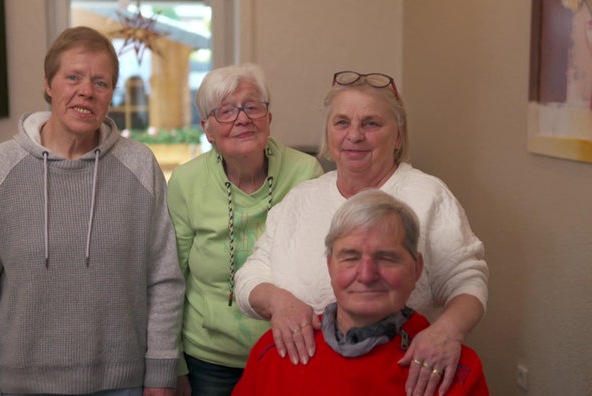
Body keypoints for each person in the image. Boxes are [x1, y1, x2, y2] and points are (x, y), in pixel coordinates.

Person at [0, 26, 185, 395]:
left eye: (101, 82)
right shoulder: (1, 166)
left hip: (123, 384)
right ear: (48, 84)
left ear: (111, 95)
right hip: (21, 386)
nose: (86, 92)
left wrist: (160, 374)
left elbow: (164, 280)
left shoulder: (140, 167)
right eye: (73, 77)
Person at [235, 71, 489, 396]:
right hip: (301, 371)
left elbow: (467, 279)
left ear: (398, 136)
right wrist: (279, 302)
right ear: (328, 134)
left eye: (371, 123)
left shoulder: (428, 195)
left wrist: (448, 331)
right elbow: (251, 276)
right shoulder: (301, 199)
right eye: (342, 123)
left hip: (399, 372)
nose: (354, 135)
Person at [232, 189, 489, 395]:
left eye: (387, 258)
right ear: (329, 266)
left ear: (417, 268)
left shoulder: (453, 370)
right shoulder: (274, 355)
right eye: (350, 257)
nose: (366, 275)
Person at [166, 63, 323, 395]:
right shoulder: (186, 181)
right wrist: (174, 364)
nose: (242, 118)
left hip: (289, 350)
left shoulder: (305, 172)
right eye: (226, 111)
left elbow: (320, 267)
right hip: (208, 359)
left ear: (269, 118)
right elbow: (172, 278)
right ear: (207, 129)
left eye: (252, 106)